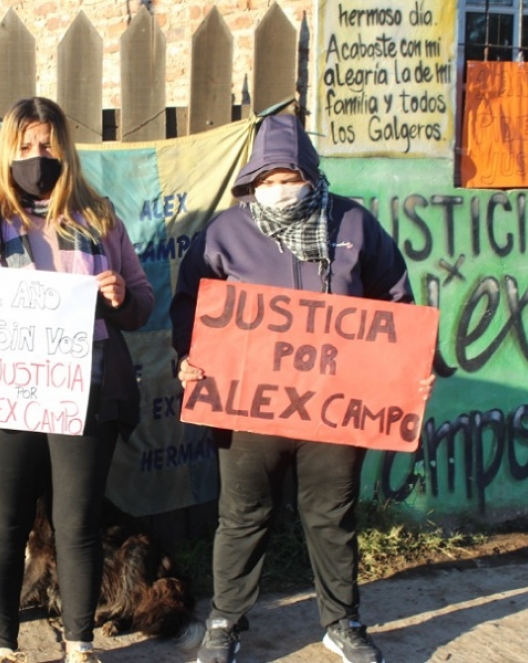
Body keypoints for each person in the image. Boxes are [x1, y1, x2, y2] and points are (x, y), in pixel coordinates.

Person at [171, 114, 413, 663]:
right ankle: (226, 621)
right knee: (242, 516)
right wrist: (188, 359)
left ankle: (342, 621)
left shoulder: (354, 224)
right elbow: (190, 305)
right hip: (249, 409)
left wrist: (397, 367)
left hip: (337, 407)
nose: (279, 189)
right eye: (267, 179)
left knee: (332, 516)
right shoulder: (224, 233)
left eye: (289, 176)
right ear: (252, 182)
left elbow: (396, 302)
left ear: (310, 173)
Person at [0, 96, 153, 663]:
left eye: (47, 144)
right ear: (6, 150)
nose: (36, 155)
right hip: (0, 394)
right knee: (3, 526)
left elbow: (143, 301)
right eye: (25, 146)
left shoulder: (98, 216)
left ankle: (78, 645)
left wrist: (121, 297)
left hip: (86, 391)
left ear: (64, 149)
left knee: (77, 524)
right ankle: (3, 647)